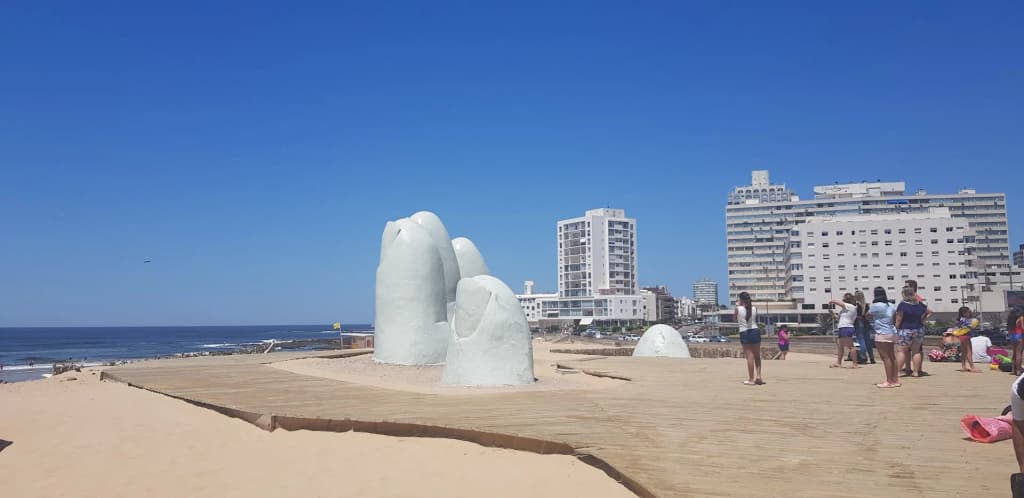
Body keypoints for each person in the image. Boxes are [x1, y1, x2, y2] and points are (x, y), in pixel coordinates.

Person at [867, 287, 899, 388]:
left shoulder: (875, 306)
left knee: (885, 357)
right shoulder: (891, 305)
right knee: (892, 357)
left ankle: (889, 381)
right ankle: (895, 380)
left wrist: (875, 319)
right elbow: (894, 319)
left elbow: (867, 315)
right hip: (891, 331)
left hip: (882, 333)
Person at [895, 286, 930, 378]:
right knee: (916, 351)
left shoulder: (902, 305)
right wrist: (923, 319)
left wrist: (896, 329)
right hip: (918, 329)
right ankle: (916, 372)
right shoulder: (920, 304)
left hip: (905, 329)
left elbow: (899, 319)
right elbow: (927, 311)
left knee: (901, 351)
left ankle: (898, 372)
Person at [734, 291, 764, 385]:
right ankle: (758, 376)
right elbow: (754, 318)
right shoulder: (754, 308)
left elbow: (734, 318)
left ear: (741, 299)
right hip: (755, 331)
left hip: (744, 332)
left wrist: (738, 306)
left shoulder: (738, 308)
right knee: (757, 355)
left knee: (749, 356)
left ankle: (751, 379)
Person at [829, 293, 860, 369]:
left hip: (847, 327)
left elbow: (840, 303)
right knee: (840, 346)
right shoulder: (844, 310)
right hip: (842, 327)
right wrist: (833, 314)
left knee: (851, 346)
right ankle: (838, 362)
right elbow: (838, 318)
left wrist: (832, 301)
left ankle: (855, 364)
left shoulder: (851, 307)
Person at [954, 306, 980, 373]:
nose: (969, 313)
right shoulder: (965, 319)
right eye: (968, 312)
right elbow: (970, 327)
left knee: (964, 352)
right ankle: (972, 367)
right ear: (964, 313)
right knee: (969, 351)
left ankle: (963, 367)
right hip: (966, 336)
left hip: (961, 336)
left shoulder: (960, 319)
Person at [854, 290, 875, 364]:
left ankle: (863, 357)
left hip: (859, 323)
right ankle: (872, 358)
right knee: (868, 341)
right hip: (866, 323)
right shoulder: (866, 305)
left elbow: (856, 316)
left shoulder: (856, 305)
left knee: (861, 340)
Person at [1011, 308, 1024, 376]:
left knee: (1015, 353)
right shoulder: (1021, 318)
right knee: (1019, 353)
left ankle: (1013, 370)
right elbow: (1023, 327)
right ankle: (1018, 371)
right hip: (1020, 335)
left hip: (1014, 335)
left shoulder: (1013, 319)